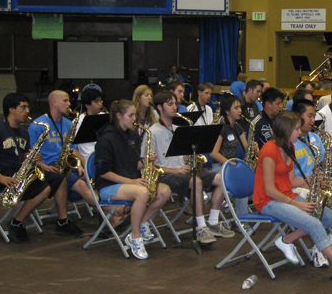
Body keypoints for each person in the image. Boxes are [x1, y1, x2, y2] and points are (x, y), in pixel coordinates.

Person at [253, 110, 332, 282]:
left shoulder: (288, 147)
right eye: (296, 129)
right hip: (268, 201)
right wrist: (295, 204)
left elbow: (291, 180)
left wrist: (314, 179)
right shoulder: (268, 150)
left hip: (285, 195)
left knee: (327, 216)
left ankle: (286, 240)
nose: (300, 132)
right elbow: (269, 190)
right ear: (285, 130)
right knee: (314, 222)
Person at [0, 93, 75, 243]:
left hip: (20, 172)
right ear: (11, 109)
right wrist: (0, 177)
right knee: (44, 188)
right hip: (3, 175)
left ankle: (62, 221)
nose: (27, 111)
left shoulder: (23, 132)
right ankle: (17, 223)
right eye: (23, 107)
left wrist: (35, 159)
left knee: (58, 177)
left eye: (28, 107)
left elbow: (24, 155)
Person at [148, 91, 232, 244]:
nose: (175, 107)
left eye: (175, 104)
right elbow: (149, 165)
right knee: (197, 182)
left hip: (182, 173)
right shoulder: (152, 132)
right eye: (170, 104)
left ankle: (213, 222)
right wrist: (175, 170)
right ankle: (201, 227)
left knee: (221, 179)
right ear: (159, 108)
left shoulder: (177, 128)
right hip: (165, 175)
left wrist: (188, 159)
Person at [94, 100, 173, 260]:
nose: (134, 119)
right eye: (130, 115)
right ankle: (135, 237)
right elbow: (103, 172)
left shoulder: (132, 135)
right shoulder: (106, 139)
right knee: (142, 193)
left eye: (135, 115)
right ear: (118, 116)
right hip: (109, 186)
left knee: (164, 191)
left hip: (130, 184)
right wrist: (130, 182)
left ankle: (138, 224)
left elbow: (133, 164)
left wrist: (145, 161)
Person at [291, 99, 332, 260]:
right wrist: (312, 185)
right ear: (298, 117)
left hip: (316, 182)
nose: (313, 121)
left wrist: (329, 159)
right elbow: (290, 178)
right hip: (298, 186)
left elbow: (321, 161)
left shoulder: (315, 137)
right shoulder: (290, 141)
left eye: (314, 117)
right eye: (310, 116)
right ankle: (316, 247)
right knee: (318, 206)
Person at [28, 89, 97, 215]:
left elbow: (73, 149)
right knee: (81, 186)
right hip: (50, 167)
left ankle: (111, 212)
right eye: (65, 101)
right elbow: (30, 156)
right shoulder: (38, 125)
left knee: (95, 181)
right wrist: (43, 166)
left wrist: (82, 165)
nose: (69, 104)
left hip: (67, 164)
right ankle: (112, 214)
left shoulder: (68, 123)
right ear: (54, 102)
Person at [210, 94, 248, 166]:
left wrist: (253, 149)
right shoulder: (222, 128)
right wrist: (231, 164)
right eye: (236, 108)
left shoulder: (238, 127)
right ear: (227, 111)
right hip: (220, 165)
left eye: (240, 107)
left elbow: (246, 148)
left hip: (233, 164)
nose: (240, 110)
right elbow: (213, 153)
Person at [74, 86, 105, 166]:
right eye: (96, 102)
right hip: (88, 159)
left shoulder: (104, 116)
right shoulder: (78, 121)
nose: (100, 105)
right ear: (87, 105)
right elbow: (73, 148)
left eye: (101, 101)